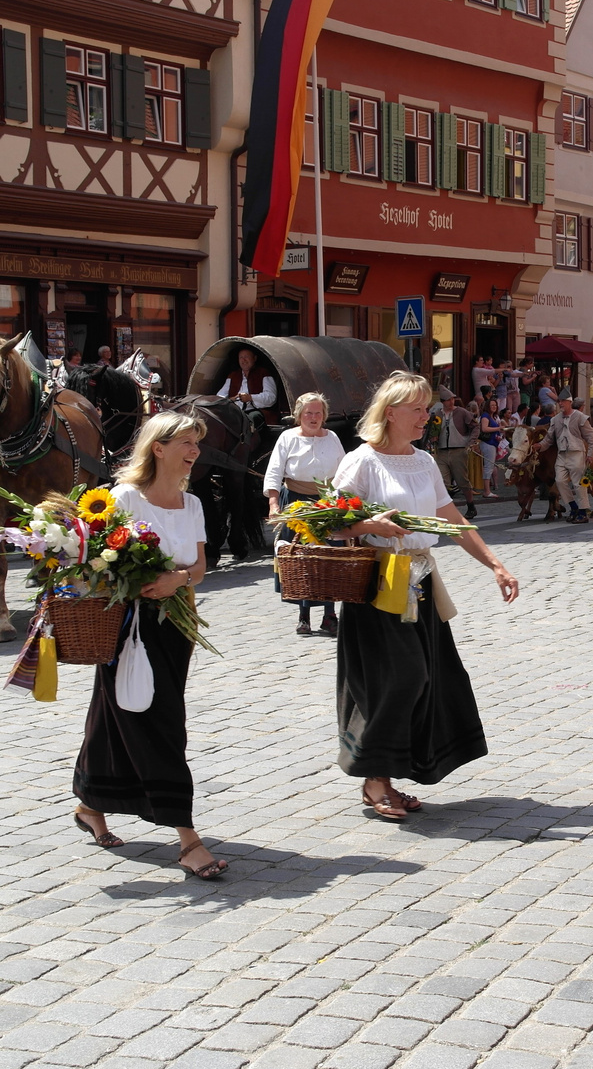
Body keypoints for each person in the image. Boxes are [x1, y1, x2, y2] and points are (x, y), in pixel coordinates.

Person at [329, 370, 518, 820]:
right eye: (417, 409)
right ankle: (374, 777)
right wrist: (371, 525)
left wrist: (495, 563)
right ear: (390, 413)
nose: (426, 417)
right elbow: (330, 524)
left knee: (429, 677)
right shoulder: (362, 461)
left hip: (419, 579)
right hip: (376, 583)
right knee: (399, 678)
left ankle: (392, 773)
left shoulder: (424, 461)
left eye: (427, 408)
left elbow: (450, 519)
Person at [72, 412, 226, 880]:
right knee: (159, 722)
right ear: (158, 447)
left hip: (176, 624)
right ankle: (187, 837)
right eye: (186, 441)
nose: (195, 450)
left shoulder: (193, 503)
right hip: (128, 624)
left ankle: (90, 802)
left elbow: (199, 566)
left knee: (115, 711)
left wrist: (176, 578)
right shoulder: (124, 498)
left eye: (198, 442)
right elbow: (98, 563)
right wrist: (138, 584)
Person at [264, 392, 347, 635]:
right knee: (301, 558)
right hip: (297, 501)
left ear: (324, 416)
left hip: (326, 502)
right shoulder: (287, 437)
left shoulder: (332, 437)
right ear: (299, 415)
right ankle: (304, 616)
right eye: (308, 413)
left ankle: (330, 615)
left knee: (328, 558)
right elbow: (275, 471)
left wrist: (346, 504)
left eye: (318, 413)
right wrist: (273, 504)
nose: (313, 417)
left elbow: (344, 471)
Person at [539, 388, 593, 524]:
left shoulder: (580, 417)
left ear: (569, 402)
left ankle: (583, 513)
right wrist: (540, 446)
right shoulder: (555, 420)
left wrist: (591, 454)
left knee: (578, 484)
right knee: (559, 481)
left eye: (563, 401)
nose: (560, 404)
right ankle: (574, 507)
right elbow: (548, 439)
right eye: (559, 402)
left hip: (576, 453)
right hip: (562, 454)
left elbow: (592, 438)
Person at [432, 387, 479, 520]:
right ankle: (446, 510)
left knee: (462, 480)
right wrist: (432, 437)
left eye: (452, 399)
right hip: (441, 451)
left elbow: (475, 426)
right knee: (442, 481)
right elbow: (431, 430)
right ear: (442, 401)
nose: (451, 402)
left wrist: (471, 442)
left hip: (459, 450)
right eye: (448, 400)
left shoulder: (462, 412)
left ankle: (471, 506)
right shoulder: (437, 414)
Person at [217, 346, 280, 425]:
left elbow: (271, 397)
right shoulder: (233, 375)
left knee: (253, 418)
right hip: (236, 410)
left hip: (258, 411)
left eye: (246, 357)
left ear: (254, 358)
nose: (243, 360)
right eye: (241, 358)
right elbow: (220, 396)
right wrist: (231, 399)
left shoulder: (263, 373)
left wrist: (250, 397)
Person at [478, 397, 503, 497]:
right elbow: (484, 428)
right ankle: (487, 491)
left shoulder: (493, 417)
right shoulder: (485, 416)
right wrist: (498, 428)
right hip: (488, 444)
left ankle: (487, 490)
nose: (494, 407)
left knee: (490, 466)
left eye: (495, 405)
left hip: (493, 442)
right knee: (488, 466)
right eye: (492, 405)